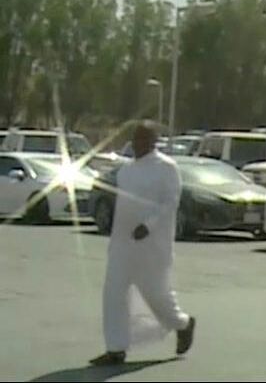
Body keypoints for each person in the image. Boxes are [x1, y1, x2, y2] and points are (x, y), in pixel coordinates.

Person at [90, 121, 196, 366]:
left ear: (153, 141)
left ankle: (183, 323)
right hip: (122, 244)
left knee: (158, 297)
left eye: (142, 139)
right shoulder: (126, 170)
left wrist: (148, 225)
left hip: (152, 246)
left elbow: (170, 203)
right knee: (113, 293)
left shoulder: (167, 168)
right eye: (134, 139)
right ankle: (115, 348)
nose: (136, 144)